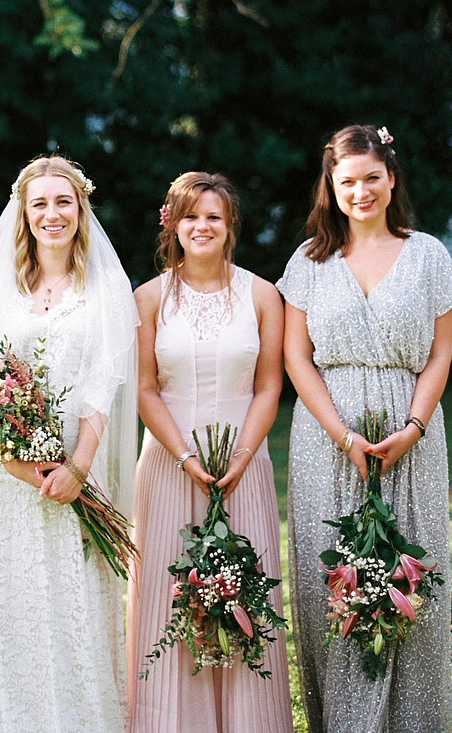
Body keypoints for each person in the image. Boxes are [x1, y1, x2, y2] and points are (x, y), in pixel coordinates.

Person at [0, 155, 138, 733]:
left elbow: (106, 380)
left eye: (63, 202)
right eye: (40, 204)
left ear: (81, 210)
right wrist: (19, 463)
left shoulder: (105, 284)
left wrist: (76, 468)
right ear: (23, 214)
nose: (52, 215)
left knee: (72, 607)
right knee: (11, 609)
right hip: (5, 479)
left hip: (77, 470)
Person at [280, 124, 452, 733]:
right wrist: (342, 436)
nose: (361, 191)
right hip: (326, 437)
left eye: (371, 178)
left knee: (413, 577)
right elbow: (296, 359)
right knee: (330, 582)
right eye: (347, 181)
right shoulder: (308, 261)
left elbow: (439, 354)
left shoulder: (429, 254)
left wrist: (412, 426)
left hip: (411, 431)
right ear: (331, 187)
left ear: (391, 179)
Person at [127, 171, 293, 733]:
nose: (202, 227)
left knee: (246, 596)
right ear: (172, 223)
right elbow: (146, 389)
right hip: (169, 466)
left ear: (230, 227)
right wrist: (184, 457)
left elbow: (269, 386)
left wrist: (243, 456)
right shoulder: (147, 298)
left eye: (213, 217)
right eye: (191, 215)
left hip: (245, 464)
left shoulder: (263, 295)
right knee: (169, 605)